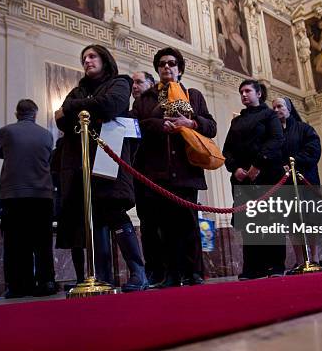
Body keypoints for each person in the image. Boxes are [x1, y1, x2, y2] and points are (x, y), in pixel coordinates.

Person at [55, 44, 148, 292]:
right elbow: (62, 121)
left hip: (110, 156)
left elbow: (111, 105)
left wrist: (77, 108)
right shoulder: (77, 90)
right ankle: (102, 277)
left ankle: (138, 273)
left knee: (114, 212)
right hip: (79, 163)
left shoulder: (121, 82)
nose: (87, 60)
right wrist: (88, 107)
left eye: (92, 56)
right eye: (84, 57)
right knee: (90, 220)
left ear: (105, 60)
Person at [132, 47, 217, 287]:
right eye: (161, 64)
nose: (166, 67)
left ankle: (193, 273)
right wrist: (162, 125)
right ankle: (167, 275)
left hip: (186, 173)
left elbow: (211, 127)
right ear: (157, 69)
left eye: (171, 63)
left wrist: (189, 122)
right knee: (161, 229)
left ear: (179, 68)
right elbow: (138, 126)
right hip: (155, 174)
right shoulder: (145, 99)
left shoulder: (193, 95)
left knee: (188, 226)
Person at [223, 80, 285, 279]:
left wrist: (257, 165)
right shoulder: (236, 121)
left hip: (267, 176)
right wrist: (235, 169)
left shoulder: (269, 115)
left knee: (271, 221)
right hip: (243, 181)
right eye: (241, 91)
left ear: (259, 93)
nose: (243, 94)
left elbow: (276, 140)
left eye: (248, 91)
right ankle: (253, 268)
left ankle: (275, 266)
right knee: (250, 224)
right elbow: (227, 150)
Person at [0, 99, 56, 298]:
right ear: (35, 114)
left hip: (14, 195)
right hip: (42, 195)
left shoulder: (7, 131)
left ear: (17, 113)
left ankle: (18, 286)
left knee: (15, 244)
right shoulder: (46, 135)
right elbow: (47, 160)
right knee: (42, 242)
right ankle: (46, 282)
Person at [271, 97, 322, 267]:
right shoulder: (274, 134)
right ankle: (300, 260)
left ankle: (314, 258)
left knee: (311, 221)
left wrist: (292, 162)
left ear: (289, 108)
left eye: (280, 106)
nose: (276, 110)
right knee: (292, 224)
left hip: (306, 181)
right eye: (274, 107)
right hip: (285, 184)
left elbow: (313, 151)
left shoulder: (305, 129)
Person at [130, 70, 164, 286]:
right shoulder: (134, 108)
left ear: (151, 83)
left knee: (163, 225)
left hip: (160, 173)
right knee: (148, 226)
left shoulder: (158, 103)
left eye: (139, 82)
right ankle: (154, 271)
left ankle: (169, 271)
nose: (134, 86)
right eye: (132, 82)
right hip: (140, 174)